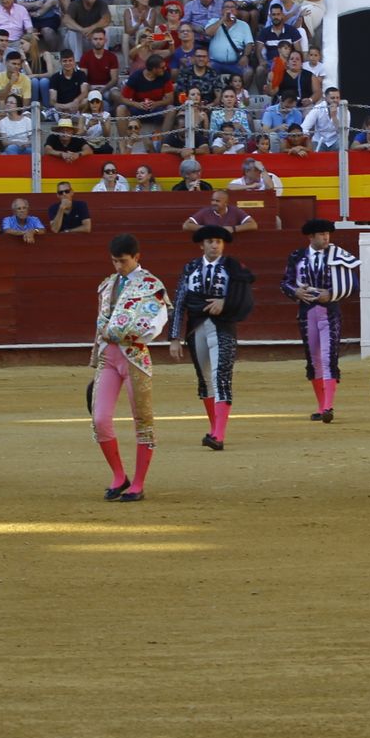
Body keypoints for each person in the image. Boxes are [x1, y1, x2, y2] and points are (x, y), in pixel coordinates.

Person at [90, 233, 171, 503]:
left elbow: (158, 319)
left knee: (143, 421)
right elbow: (100, 324)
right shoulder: (107, 285)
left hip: (135, 357)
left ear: (137, 257)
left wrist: (135, 333)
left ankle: (138, 483)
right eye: (114, 261)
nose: (117, 267)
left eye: (122, 261)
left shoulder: (151, 285)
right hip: (108, 358)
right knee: (100, 420)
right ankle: (118, 476)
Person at [169, 225, 256, 451]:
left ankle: (218, 435)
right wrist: (174, 337)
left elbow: (244, 295)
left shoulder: (233, 267)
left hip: (223, 327)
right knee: (205, 379)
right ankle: (215, 427)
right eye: (210, 241)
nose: (215, 245)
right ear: (202, 245)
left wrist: (225, 303)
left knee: (221, 378)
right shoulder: (190, 268)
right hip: (196, 327)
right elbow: (179, 302)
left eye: (218, 241)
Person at [282, 218, 359, 423]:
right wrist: (296, 291)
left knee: (327, 357)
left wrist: (332, 293)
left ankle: (328, 406)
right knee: (313, 360)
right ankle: (321, 405)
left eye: (328, 233)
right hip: (306, 313)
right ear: (311, 237)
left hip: (330, 312)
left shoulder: (338, 255)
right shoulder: (297, 256)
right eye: (322, 234)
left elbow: (353, 284)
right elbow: (286, 283)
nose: (326, 237)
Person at [183, 189, 258, 234]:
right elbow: (186, 225)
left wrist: (233, 229)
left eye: (217, 201)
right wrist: (206, 229)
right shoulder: (206, 211)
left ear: (226, 203)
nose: (214, 203)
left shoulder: (234, 210)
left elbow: (253, 225)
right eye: (212, 200)